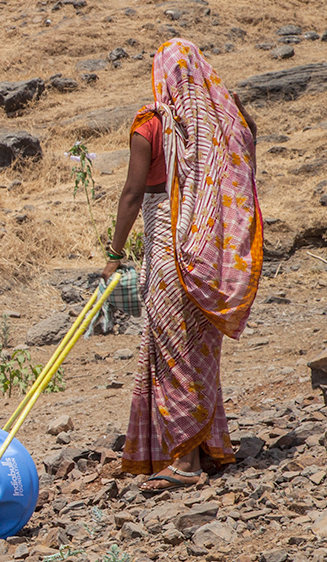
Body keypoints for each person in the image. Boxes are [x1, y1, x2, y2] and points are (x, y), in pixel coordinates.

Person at [102, 38, 262, 492]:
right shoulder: (226, 124)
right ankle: (207, 447)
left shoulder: (151, 124)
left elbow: (133, 195)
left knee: (172, 352)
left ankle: (186, 462)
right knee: (199, 353)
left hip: (170, 254)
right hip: (210, 255)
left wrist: (114, 255)